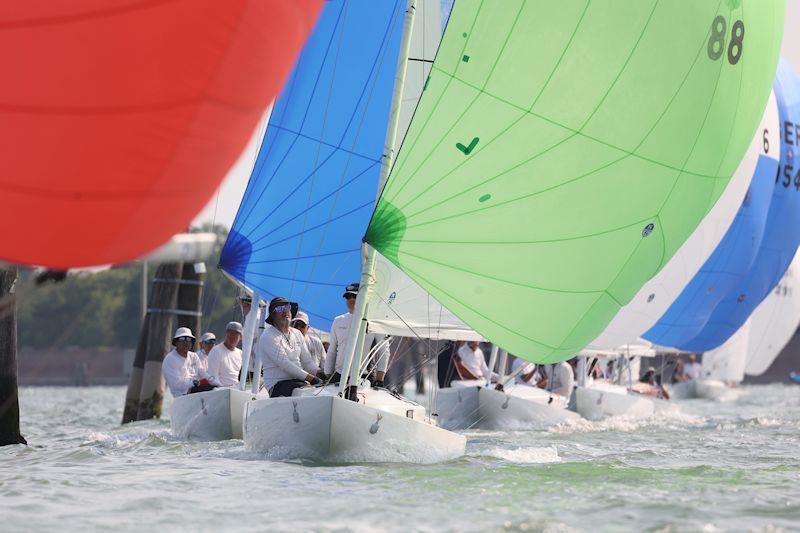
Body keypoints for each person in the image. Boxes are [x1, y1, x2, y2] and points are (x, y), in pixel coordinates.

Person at [325, 283, 391, 387]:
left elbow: (384, 352)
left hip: (364, 376)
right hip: (339, 375)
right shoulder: (338, 321)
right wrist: (327, 375)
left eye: (354, 296)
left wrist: (380, 380)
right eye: (348, 296)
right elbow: (332, 351)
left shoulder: (374, 322)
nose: (351, 299)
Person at [257, 296, 321, 397]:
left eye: (287, 307)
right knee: (307, 392)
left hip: (298, 382)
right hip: (277, 385)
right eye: (279, 309)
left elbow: (307, 362)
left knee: (319, 391)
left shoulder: (297, 333)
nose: (285, 311)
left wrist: (320, 373)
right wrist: (311, 378)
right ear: (273, 315)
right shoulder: (267, 336)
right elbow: (285, 364)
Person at [162, 327, 219, 397]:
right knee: (211, 389)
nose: (186, 342)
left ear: (191, 343)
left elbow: (204, 374)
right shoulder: (170, 359)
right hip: (181, 396)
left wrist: (219, 385)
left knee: (216, 389)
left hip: (195, 391)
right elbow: (176, 385)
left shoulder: (194, 356)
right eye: (182, 339)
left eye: (189, 339)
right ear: (176, 342)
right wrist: (195, 382)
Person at [207, 321, 243, 387]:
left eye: (236, 334)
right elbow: (213, 378)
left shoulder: (240, 353)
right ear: (226, 334)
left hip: (236, 390)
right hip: (220, 391)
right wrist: (224, 390)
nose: (233, 336)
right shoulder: (216, 351)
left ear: (240, 337)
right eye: (231, 333)